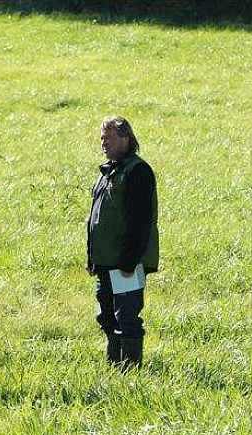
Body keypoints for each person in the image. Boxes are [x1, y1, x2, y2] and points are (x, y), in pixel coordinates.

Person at [87, 116, 159, 370]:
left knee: (126, 316)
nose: (103, 143)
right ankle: (114, 366)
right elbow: (97, 219)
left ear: (126, 138)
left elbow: (141, 221)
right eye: (102, 138)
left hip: (126, 262)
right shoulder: (108, 172)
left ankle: (130, 370)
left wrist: (129, 261)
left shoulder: (137, 171)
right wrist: (92, 259)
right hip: (106, 261)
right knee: (106, 316)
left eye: (109, 138)